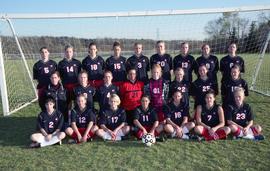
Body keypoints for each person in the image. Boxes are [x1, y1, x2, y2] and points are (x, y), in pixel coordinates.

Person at [58, 45, 82, 109]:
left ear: (73, 52)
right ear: (65, 53)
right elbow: (59, 75)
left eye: (70, 51)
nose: (69, 53)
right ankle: (69, 116)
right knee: (68, 102)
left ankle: (76, 116)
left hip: (75, 85)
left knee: (77, 101)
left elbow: (80, 74)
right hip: (66, 86)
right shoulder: (61, 63)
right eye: (67, 52)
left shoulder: (77, 62)